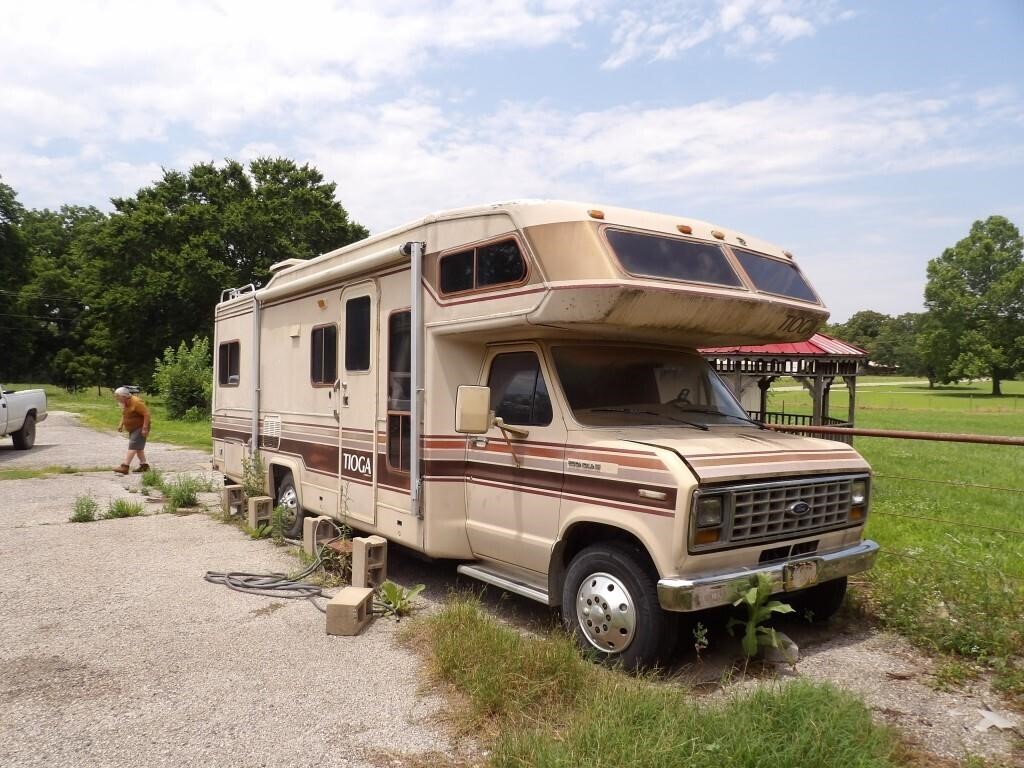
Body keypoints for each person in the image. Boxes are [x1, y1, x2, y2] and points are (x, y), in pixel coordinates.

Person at [113, 386, 151, 474]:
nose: (116, 398)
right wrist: (121, 424)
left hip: (140, 427)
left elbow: (147, 414)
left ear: (124, 396)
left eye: (117, 396)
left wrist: (145, 428)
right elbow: (125, 414)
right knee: (138, 448)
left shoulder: (136, 402)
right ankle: (144, 466)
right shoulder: (125, 403)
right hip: (133, 428)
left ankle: (125, 466)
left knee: (133, 446)